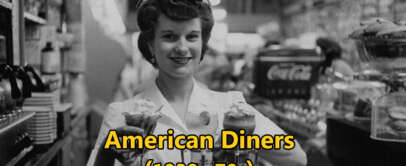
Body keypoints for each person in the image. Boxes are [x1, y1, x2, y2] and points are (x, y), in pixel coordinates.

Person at [87, 0, 307, 166]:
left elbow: (297, 158)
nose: (182, 48)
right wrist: (107, 154)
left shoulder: (230, 108)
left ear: (203, 44)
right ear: (151, 46)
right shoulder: (122, 113)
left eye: (192, 37)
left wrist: (237, 138)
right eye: (170, 36)